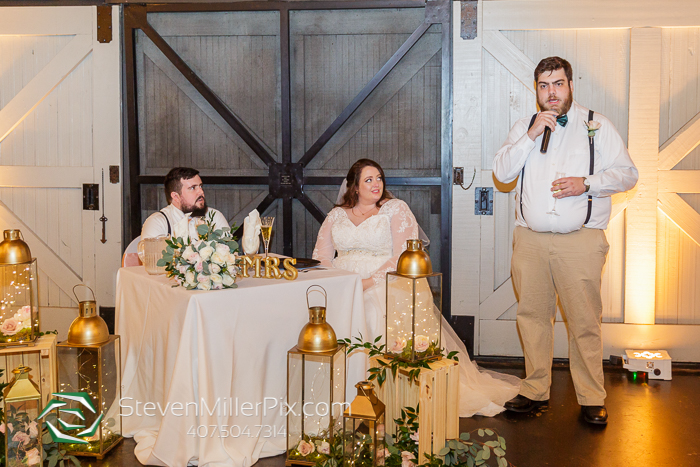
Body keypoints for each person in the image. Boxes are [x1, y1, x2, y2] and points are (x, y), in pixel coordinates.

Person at [493, 57, 639, 425]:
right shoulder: (524, 127)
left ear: (570, 85)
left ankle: (591, 397)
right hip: (530, 241)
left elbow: (627, 174)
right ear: (536, 90)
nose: (551, 92)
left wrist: (586, 183)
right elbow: (502, 173)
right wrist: (529, 137)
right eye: (544, 86)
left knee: (584, 322)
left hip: (580, 242)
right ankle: (535, 389)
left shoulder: (596, 125)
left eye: (557, 84)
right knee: (532, 318)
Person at [312, 158, 520, 417]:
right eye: (368, 180)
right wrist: (340, 283)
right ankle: (342, 394)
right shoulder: (336, 215)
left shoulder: (395, 209)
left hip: (386, 282)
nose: (376, 184)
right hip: (344, 283)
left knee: (373, 313)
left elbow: (402, 254)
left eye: (379, 178)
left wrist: (365, 283)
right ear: (354, 187)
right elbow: (321, 256)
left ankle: (386, 396)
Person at [141, 167, 229, 240]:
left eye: (201, 186)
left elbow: (231, 256)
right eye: (193, 188)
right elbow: (153, 260)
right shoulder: (158, 223)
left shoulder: (215, 217)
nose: (201, 192)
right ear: (176, 196)